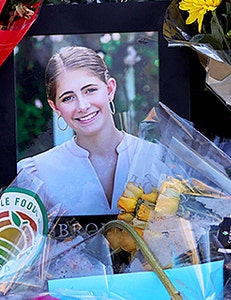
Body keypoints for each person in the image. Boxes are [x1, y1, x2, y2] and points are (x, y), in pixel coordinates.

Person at [16, 46, 162, 216]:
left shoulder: (158, 158)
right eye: (68, 98)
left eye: (90, 90)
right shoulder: (37, 173)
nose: (83, 106)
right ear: (55, 107)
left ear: (109, 89)